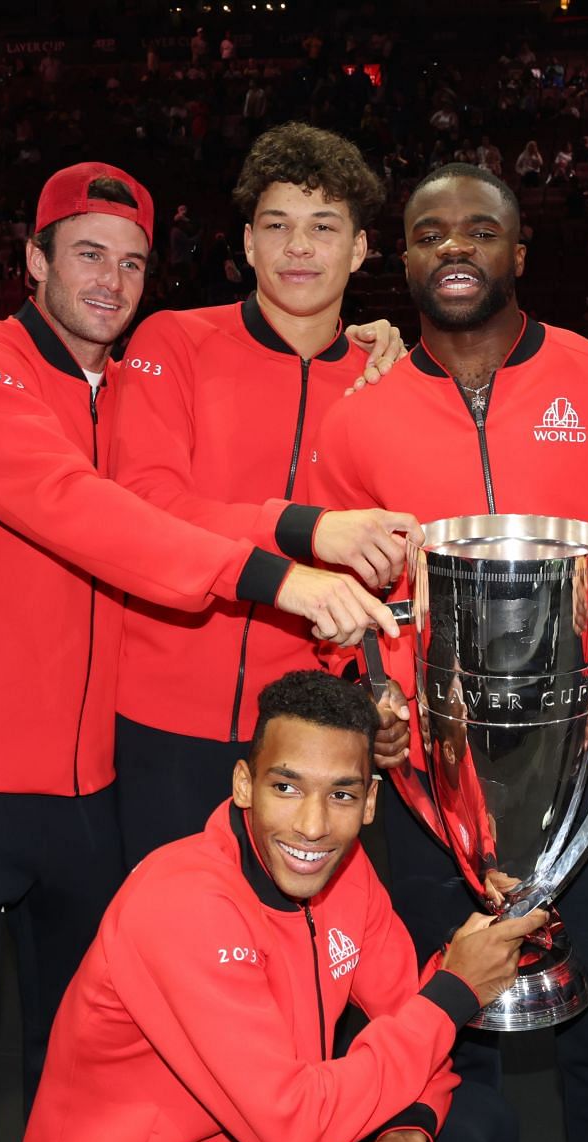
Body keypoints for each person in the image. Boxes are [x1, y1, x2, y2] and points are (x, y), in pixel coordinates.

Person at [0, 161, 401, 1142]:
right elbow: (83, 511)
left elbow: (187, 495)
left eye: (129, 260)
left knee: (86, 1039)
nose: (109, 279)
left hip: (91, 780)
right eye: (84, 252)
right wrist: (283, 577)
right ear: (33, 260)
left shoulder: (128, 392)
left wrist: (374, 346)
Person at [310, 163, 588, 1142]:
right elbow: (344, 588)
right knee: (441, 1028)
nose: (455, 247)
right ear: (406, 253)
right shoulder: (365, 418)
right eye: (431, 231)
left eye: (480, 230)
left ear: (519, 252)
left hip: (586, 778)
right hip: (435, 796)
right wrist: (369, 693)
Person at [19, 671, 540, 1142]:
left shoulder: (347, 877)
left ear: (371, 801)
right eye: (287, 788)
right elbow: (298, 1130)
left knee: (478, 1128)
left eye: (341, 795)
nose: (312, 826)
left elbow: (412, 1025)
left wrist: (407, 1136)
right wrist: (452, 992)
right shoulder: (181, 903)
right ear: (245, 785)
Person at [110, 122, 420, 865]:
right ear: (248, 244)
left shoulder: (391, 381)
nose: (299, 247)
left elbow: (402, 561)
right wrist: (308, 529)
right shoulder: (173, 342)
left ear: (359, 249)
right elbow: (143, 506)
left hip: (313, 726)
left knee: (302, 959)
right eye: (277, 226)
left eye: (324, 228)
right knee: (166, 952)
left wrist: (387, 688)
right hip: (165, 716)